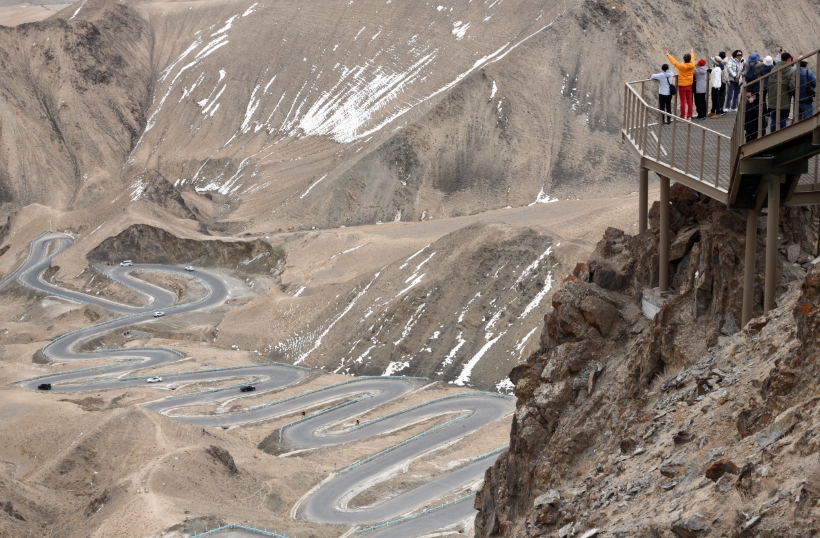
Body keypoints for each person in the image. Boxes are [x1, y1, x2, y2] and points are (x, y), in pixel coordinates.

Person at [767, 52, 796, 132]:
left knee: (773, 120)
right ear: (789, 60)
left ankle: (772, 137)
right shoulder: (790, 72)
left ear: (781, 59)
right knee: (782, 120)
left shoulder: (773, 70)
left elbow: (768, 85)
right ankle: (781, 137)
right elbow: (792, 87)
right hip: (784, 101)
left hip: (772, 100)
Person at [664, 47, 695, 120]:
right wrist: (692, 52)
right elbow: (692, 58)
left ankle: (682, 116)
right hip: (689, 85)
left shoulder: (681, 65)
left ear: (684, 59)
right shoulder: (692, 64)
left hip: (682, 86)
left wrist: (668, 54)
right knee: (689, 101)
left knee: (683, 101)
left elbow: (674, 62)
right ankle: (689, 116)